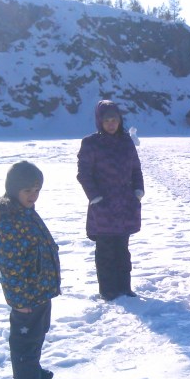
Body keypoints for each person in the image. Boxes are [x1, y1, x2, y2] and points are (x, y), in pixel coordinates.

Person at [0, 161, 61, 379]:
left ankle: (31, 371)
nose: (33, 196)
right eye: (28, 191)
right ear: (14, 190)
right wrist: (19, 300)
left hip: (39, 288)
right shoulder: (8, 221)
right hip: (26, 295)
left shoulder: (26, 212)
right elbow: (10, 267)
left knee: (38, 332)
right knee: (25, 340)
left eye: (37, 190)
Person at [77, 100, 145, 300]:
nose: (111, 124)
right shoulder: (91, 143)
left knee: (122, 249)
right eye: (107, 120)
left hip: (125, 204)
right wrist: (95, 197)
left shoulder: (126, 142)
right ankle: (108, 290)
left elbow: (136, 169)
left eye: (114, 119)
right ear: (100, 121)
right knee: (105, 250)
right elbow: (84, 174)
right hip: (103, 205)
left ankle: (125, 287)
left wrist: (138, 191)